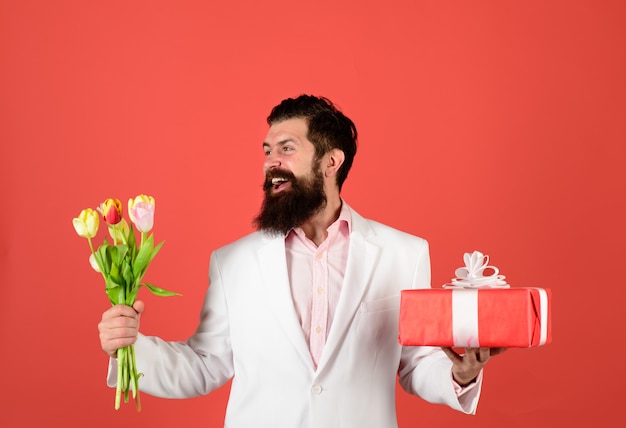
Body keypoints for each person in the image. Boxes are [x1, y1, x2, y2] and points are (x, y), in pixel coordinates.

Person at [98, 94, 504, 427]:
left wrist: (460, 374)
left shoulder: (404, 253)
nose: (271, 162)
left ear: (331, 162)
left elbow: (416, 365)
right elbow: (204, 366)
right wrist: (129, 348)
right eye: (267, 150)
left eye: (287, 149)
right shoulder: (233, 262)